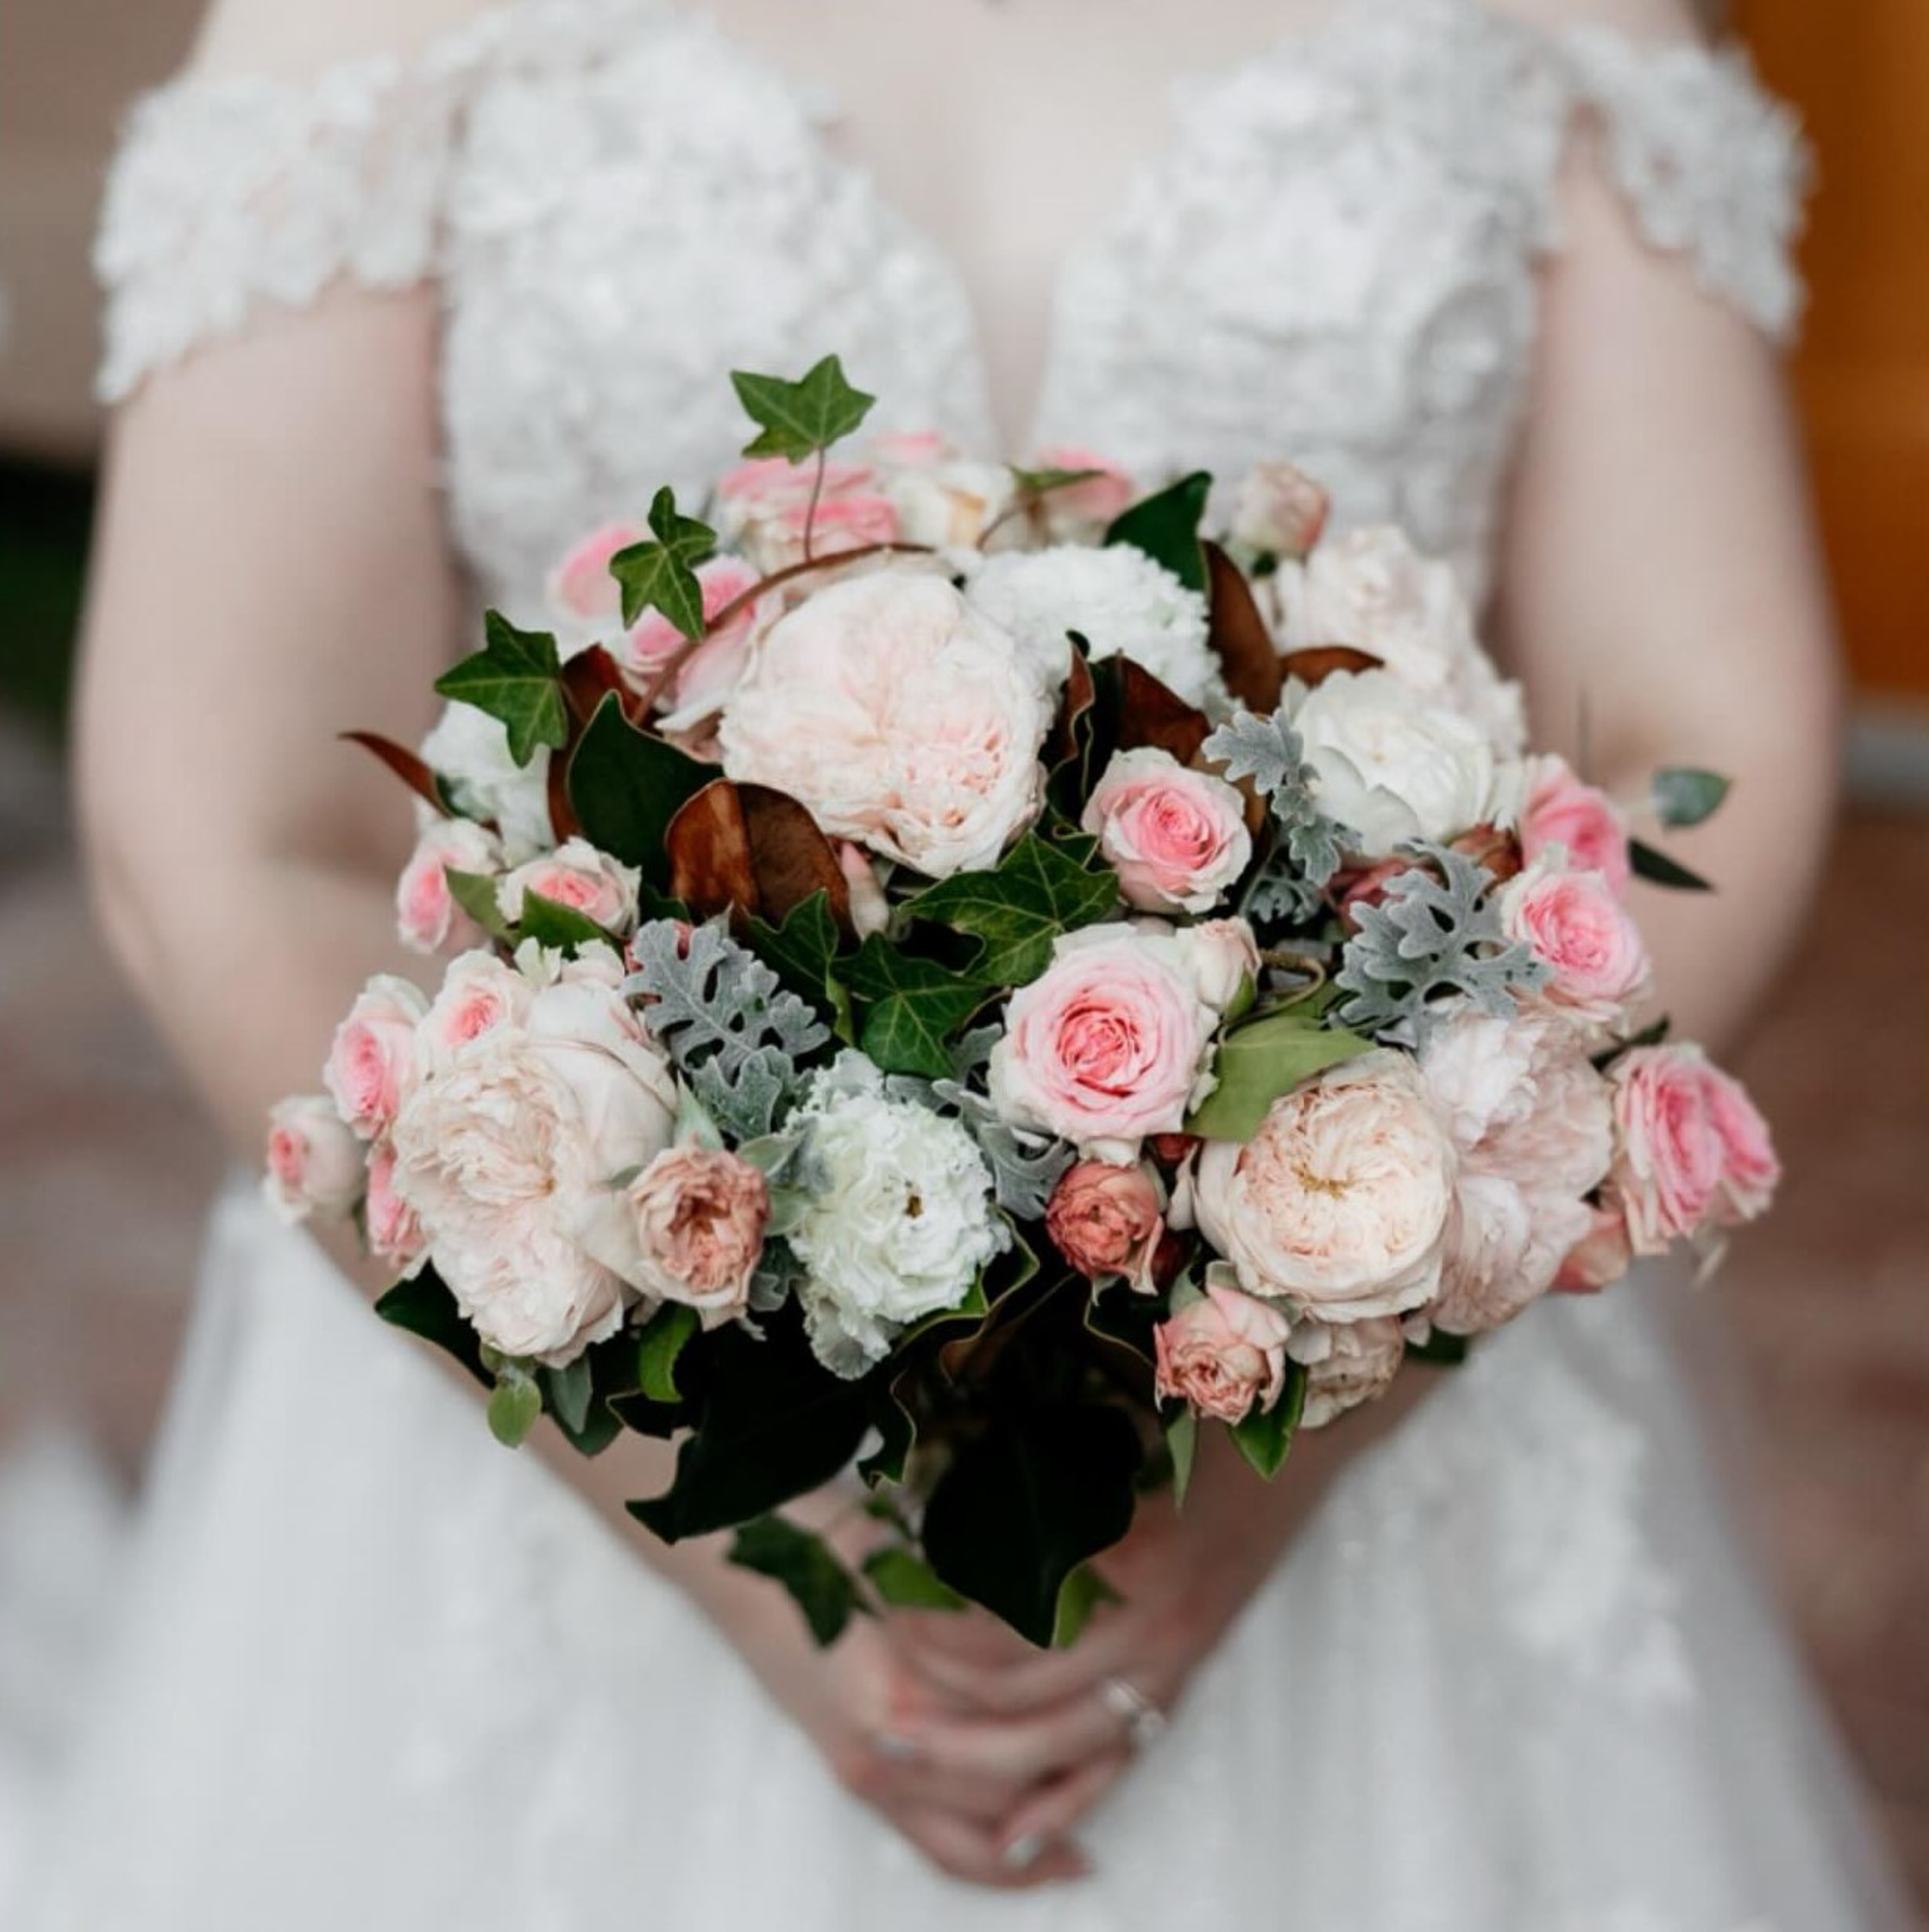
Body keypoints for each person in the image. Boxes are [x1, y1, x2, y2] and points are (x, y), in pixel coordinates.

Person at [29, 0, 1913, 1921]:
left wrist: (1322, 1392)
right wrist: (719, 1534)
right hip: (576, 1403)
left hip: (1381, 1366)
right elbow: (234, 830)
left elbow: (1708, 725)